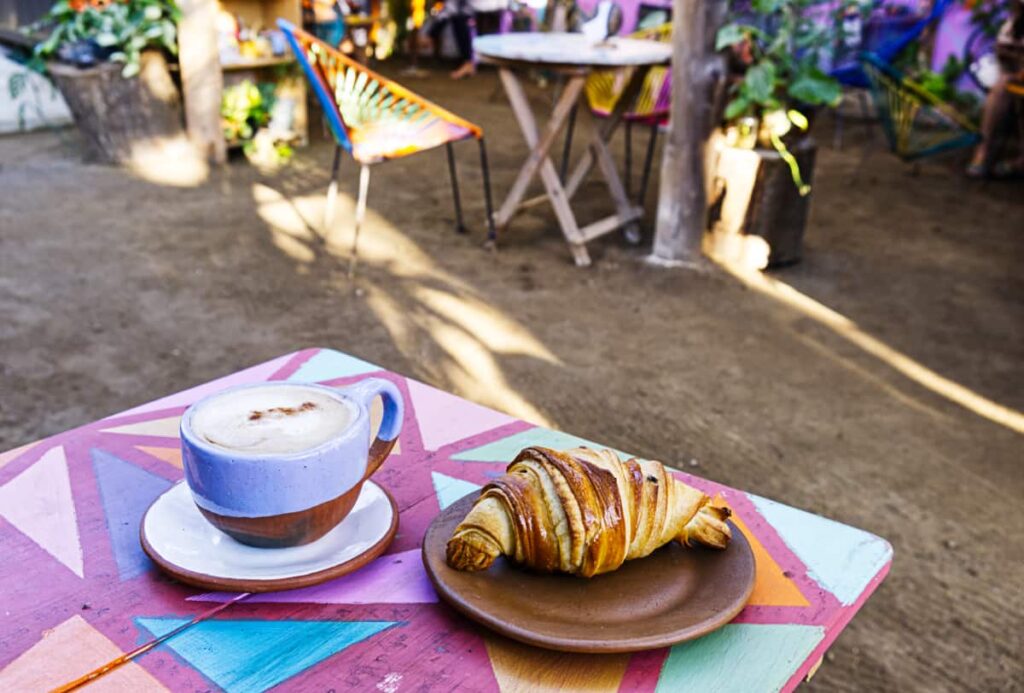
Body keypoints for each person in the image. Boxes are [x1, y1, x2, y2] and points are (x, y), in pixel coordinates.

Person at [967, 0, 1024, 179]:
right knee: (1004, 87)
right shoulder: (1015, 23)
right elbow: (1004, 49)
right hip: (1016, 76)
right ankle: (983, 151)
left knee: (1010, 86)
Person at [427, 0, 507, 79]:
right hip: (494, 9)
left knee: (460, 17)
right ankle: (469, 62)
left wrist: (432, 33)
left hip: (492, 9)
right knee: (460, 14)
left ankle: (468, 63)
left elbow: (450, 9)